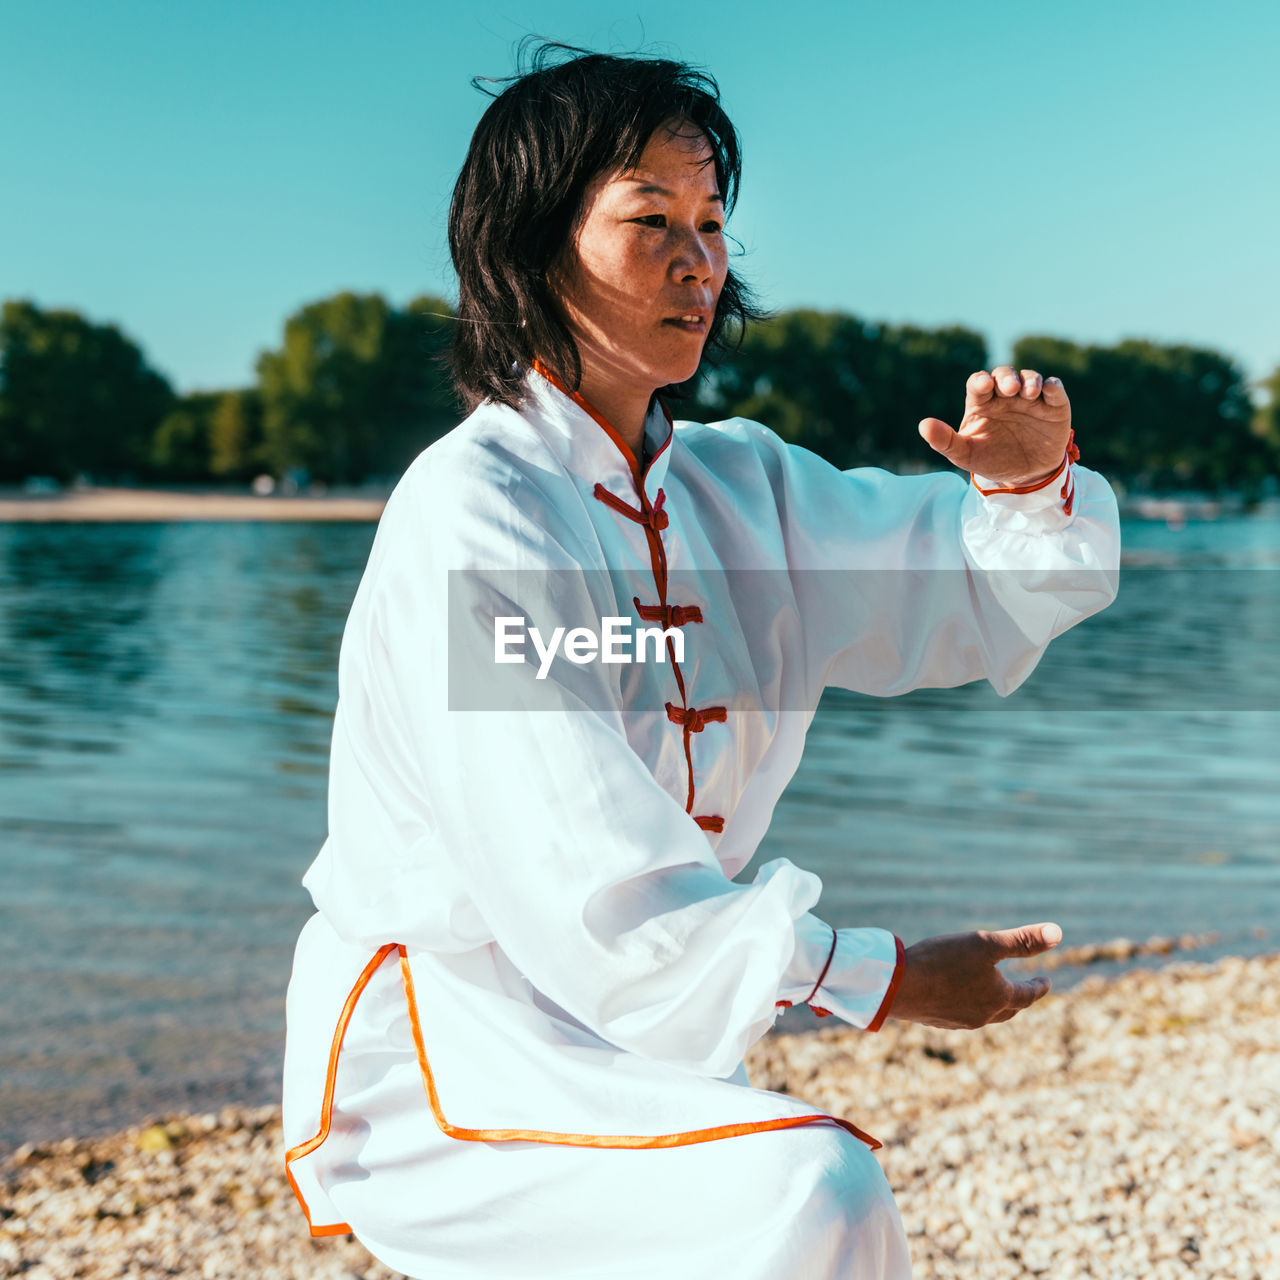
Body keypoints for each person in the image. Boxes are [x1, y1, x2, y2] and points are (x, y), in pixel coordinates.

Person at [282, 45, 1120, 1280]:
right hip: (448, 1058)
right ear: (529, 248)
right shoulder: (475, 511)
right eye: (650, 218)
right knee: (808, 1186)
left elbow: (974, 582)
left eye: (713, 220)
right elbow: (591, 879)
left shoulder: (745, 485)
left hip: (646, 1044)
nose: (698, 258)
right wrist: (878, 976)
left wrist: (1027, 482)